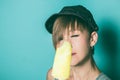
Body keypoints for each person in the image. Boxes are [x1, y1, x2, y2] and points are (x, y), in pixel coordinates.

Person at [45, 5, 111, 80]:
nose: (67, 45)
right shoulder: (52, 76)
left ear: (92, 39)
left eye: (74, 35)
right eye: (61, 39)